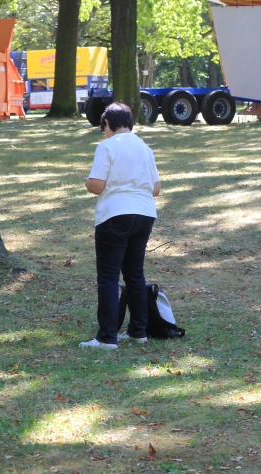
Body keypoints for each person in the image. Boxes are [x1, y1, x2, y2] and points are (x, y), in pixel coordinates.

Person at [79, 102, 161, 350]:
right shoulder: (145, 148)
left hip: (115, 213)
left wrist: (86, 182)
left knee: (108, 276)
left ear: (106, 124)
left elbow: (96, 185)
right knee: (134, 273)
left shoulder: (107, 146)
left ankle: (106, 337)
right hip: (144, 213)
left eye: (102, 127)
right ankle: (138, 331)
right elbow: (156, 189)